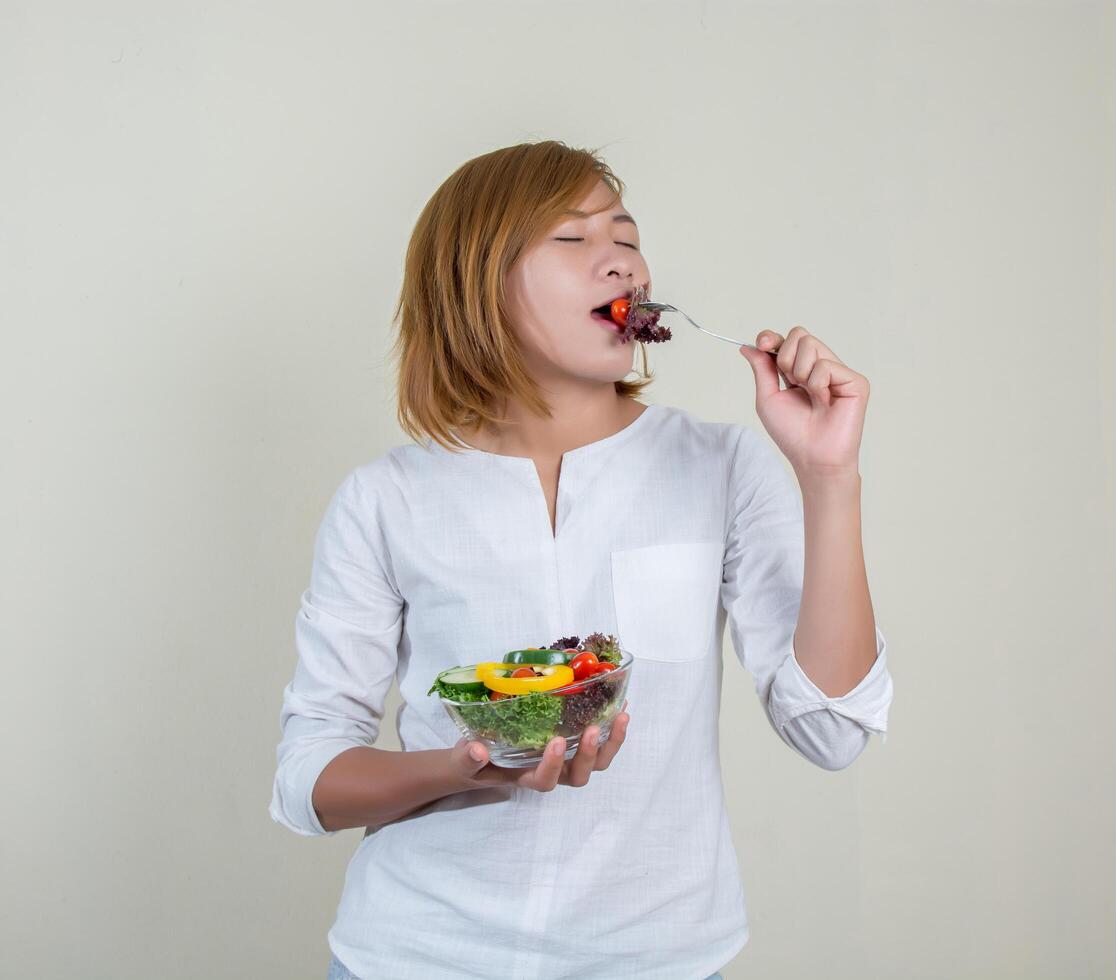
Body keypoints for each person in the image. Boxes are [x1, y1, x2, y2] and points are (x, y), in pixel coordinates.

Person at [269, 140, 894, 980]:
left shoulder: (724, 468)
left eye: (626, 236)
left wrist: (829, 477)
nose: (620, 263)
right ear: (474, 282)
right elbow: (309, 778)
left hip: (661, 958)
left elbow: (832, 730)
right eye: (572, 239)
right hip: (414, 957)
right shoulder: (386, 499)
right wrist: (468, 769)